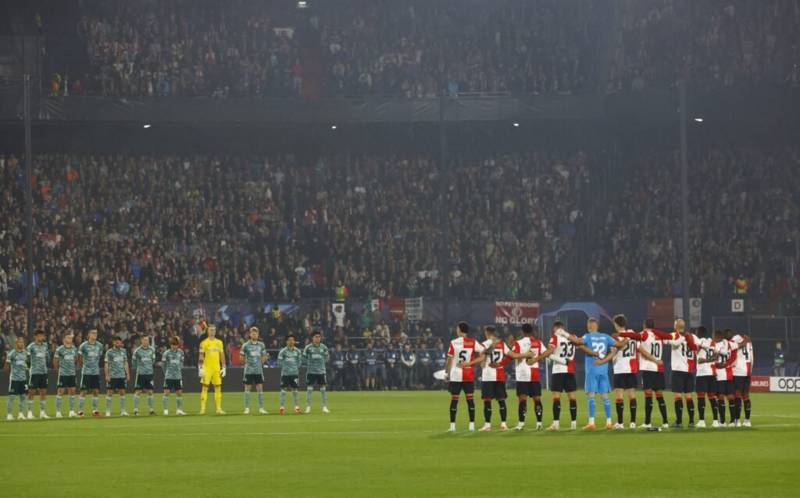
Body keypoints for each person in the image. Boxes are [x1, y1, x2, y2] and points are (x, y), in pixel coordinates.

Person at [559, 318, 621, 430]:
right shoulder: (606, 336)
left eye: (588, 325)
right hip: (603, 370)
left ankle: (591, 423)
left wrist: (564, 333)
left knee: (591, 396)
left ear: (590, 326)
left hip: (592, 369)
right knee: (605, 397)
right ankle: (609, 422)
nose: (588, 326)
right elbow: (618, 345)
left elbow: (578, 342)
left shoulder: (587, 336)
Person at [617, 319, 674, 429]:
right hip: (659, 370)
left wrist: (620, 333)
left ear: (644, 325)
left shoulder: (644, 334)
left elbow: (632, 335)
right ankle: (665, 422)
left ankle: (647, 422)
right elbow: (669, 337)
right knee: (660, 396)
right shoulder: (659, 336)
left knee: (648, 396)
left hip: (648, 369)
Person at [443, 321, 486, 432]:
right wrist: (470, 363)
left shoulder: (453, 342)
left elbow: (449, 359)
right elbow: (484, 355)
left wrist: (446, 373)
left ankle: (452, 427)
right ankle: (471, 426)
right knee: (470, 400)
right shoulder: (473, 342)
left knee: (454, 400)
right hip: (468, 374)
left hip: (456, 375)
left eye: (457, 329)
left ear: (460, 330)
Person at [537, 321, 580, 431]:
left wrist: (539, 358)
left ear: (555, 328)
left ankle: (556, 424)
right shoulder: (572, 337)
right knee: (572, 397)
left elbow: (550, 350)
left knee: (556, 397)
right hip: (570, 370)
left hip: (558, 370)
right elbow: (579, 344)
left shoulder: (555, 337)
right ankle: (574, 424)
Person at [509, 323, 546, 431]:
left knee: (522, 400)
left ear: (522, 332)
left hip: (522, 375)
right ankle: (539, 423)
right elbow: (545, 353)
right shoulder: (538, 342)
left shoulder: (518, 343)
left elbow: (512, 355)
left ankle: (521, 424)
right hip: (534, 374)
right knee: (537, 399)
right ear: (532, 331)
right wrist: (536, 359)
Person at [477, 326, 511, 432]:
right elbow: (510, 356)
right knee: (501, 400)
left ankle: (487, 425)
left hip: (488, 376)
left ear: (487, 333)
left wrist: (482, 363)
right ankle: (504, 424)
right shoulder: (502, 344)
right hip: (499, 375)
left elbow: (482, 363)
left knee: (487, 401)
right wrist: (501, 363)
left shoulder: (483, 344)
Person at [664, 319, 697, 428]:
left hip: (678, 370)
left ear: (676, 327)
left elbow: (664, 341)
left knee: (678, 396)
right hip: (689, 370)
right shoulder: (692, 336)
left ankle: (679, 422)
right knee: (688, 396)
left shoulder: (673, 335)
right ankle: (692, 421)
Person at [609, 315, 638, 429]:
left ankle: (620, 423)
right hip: (631, 369)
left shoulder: (615, 337)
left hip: (620, 368)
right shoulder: (632, 334)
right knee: (632, 395)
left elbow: (614, 351)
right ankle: (633, 423)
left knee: (619, 396)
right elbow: (637, 349)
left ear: (616, 324)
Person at [693, 326, 719, 428]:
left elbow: (699, 360)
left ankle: (702, 421)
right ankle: (716, 421)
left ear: (699, 333)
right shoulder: (712, 342)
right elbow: (717, 356)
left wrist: (706, 360)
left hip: (702, 373)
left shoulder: (699, 342)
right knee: (712, 398)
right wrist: (711, 359)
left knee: (701, 397)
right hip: (712, 374)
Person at [198, 325, 226, 415]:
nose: (212, 332)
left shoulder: (219, 342)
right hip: (207, 368)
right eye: (210, 330)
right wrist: (200, 367)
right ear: (207, 331)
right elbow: (201, 356)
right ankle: (202, 409)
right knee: (205, 387)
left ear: (215, 331)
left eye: (214, 330)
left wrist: (224, 367)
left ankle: (218, 409)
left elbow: (222, 355)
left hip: (216, 368)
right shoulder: (203, 343)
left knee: (218, 387)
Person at [713, 329, 738, 427]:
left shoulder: (716, 346)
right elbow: (737, 351)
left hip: (720, 376)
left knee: (720, 398)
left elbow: (714, 360)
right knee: (731, 398)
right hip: (729, 374)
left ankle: (722, 422)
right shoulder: (731, 344)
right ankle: (732, 421)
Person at [241, 327, 268, 415]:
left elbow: (264, 356)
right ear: (250, 334)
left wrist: (261, 361)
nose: (254, 334)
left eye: (255, 333)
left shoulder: (262, 345)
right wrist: (247, 363)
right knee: (247, 389)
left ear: (258, 334)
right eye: (252, 333)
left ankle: (261, 408)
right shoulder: (245, 345)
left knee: (260, 389)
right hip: (248, 371)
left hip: (258, 371)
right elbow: (241, 357)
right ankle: (247, 408)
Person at [302, 330, 330, 413]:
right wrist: (309, 363)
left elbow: (327, 357)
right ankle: (308, 407)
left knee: (323, 389)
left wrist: (322, 362)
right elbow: (303, 358)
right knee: (310, 389)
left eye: (319, 337)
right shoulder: (308, 347)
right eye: (316, 337)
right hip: (311, 371)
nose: (318, 338)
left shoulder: (324, 347)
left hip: (321, 371)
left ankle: (324, 407)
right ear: (312, 338)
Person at [77, 329, 103, 417]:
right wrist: (84, 366)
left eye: (96, 333)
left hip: (95, 372)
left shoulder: (100, 345)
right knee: (83, 391)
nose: (95, 334)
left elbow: (99, 357)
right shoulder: (83, 346)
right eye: (93, 333)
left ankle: (95, 410)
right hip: (86, 372)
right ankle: (80, 411)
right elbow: (79, 358)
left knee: (96, 391)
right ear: (89, 334)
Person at [730, 332, 753, 427]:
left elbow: (731, 349)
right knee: (746, 396)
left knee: (737, 395)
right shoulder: (749, 342)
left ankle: (737, 420)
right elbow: (752, 357)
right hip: (747, 371)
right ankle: (747, 420)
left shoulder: (734, 339)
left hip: (738, 371)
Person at [26, 329, 50, 420]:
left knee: (43, 392)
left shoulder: (45, 346)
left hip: (43, 372)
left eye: (42, 336)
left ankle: (42, 413)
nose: (42, 337)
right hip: (34, 372)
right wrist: (29, 368)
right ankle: (29, 412)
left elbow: (47, 357)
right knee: (31, 392)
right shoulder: (31, 347)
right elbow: (27, 358)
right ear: (35, 336)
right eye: (40, 336)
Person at [104, 336, 130, 417]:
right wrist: (107, 375)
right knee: (109, 393)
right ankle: (108, 411)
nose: (119, 344)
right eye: (118, 342)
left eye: (120, 342)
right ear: (114, 342)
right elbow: (106, 364)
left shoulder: (123, 351)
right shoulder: (109, 352)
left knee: (122, 393)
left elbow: (125, 363)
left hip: (121, 375)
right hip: (112, 376)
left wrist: (127, 374)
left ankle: (123, 411)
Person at [54, 332, 79, 418]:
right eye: (68, 338)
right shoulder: (59, 349)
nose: (70, 339)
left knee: (72, 391)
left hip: (72, 373)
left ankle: (71, 411)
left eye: (71, 338)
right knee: (60, 392)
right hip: (63, 374)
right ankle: (58, 412)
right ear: (64, 339)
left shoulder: (74, 349)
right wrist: (58, 370)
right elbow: (55, 361)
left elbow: (76, 359)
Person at [277, 334, 302, 415]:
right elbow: (279, 362)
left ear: (294, 341)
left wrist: (295, 368)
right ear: (286, 341)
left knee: (295, 390)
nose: (291, 341)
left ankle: (297, 407)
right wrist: (285, 368)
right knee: (283, 390)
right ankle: (281, 408)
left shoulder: (297, 351)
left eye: (292, 340)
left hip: (294, 374)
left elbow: (300, 361)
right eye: (289, 340)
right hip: (285, 374)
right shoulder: (283, 351)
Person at [132, 335, 157, 416]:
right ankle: (135, 410)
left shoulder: (152, 349)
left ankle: (151, 410)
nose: (147, 341)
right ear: (141, 341)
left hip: (149, 374)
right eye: (145, 340)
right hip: (141, 374)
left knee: (150, 392)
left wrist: (148, 367)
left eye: (147, 340)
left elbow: (153, 360)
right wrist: (139, 369)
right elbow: (134, 362)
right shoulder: (137, 351)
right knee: (138, 391)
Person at [161, 336, 186, 416]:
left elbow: (181, 363)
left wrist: (179, 369)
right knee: (166, 393)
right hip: (169, 376)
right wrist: (166, 373)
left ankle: (179, 410)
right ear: (170, 345)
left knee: (179, 393)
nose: (173, 346)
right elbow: (163, 365)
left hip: (178, 376)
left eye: (175, 344)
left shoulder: (181, 352)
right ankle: (165, 410)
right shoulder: (166, 353)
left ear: (178, 345)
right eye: (172, 344)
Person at [5, 336, 28, 421]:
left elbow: (28, 365)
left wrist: (26, 366)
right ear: (16, 343)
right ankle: (9, 414)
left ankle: (21, 414)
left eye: (22, 342)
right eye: (19, 342)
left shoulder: (25, 353)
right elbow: (6, 367)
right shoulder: (12, 353)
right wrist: (12, 374)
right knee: (12, 397)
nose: (21, 344)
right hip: (14, 379)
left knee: (23, 397)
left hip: (23, 379)